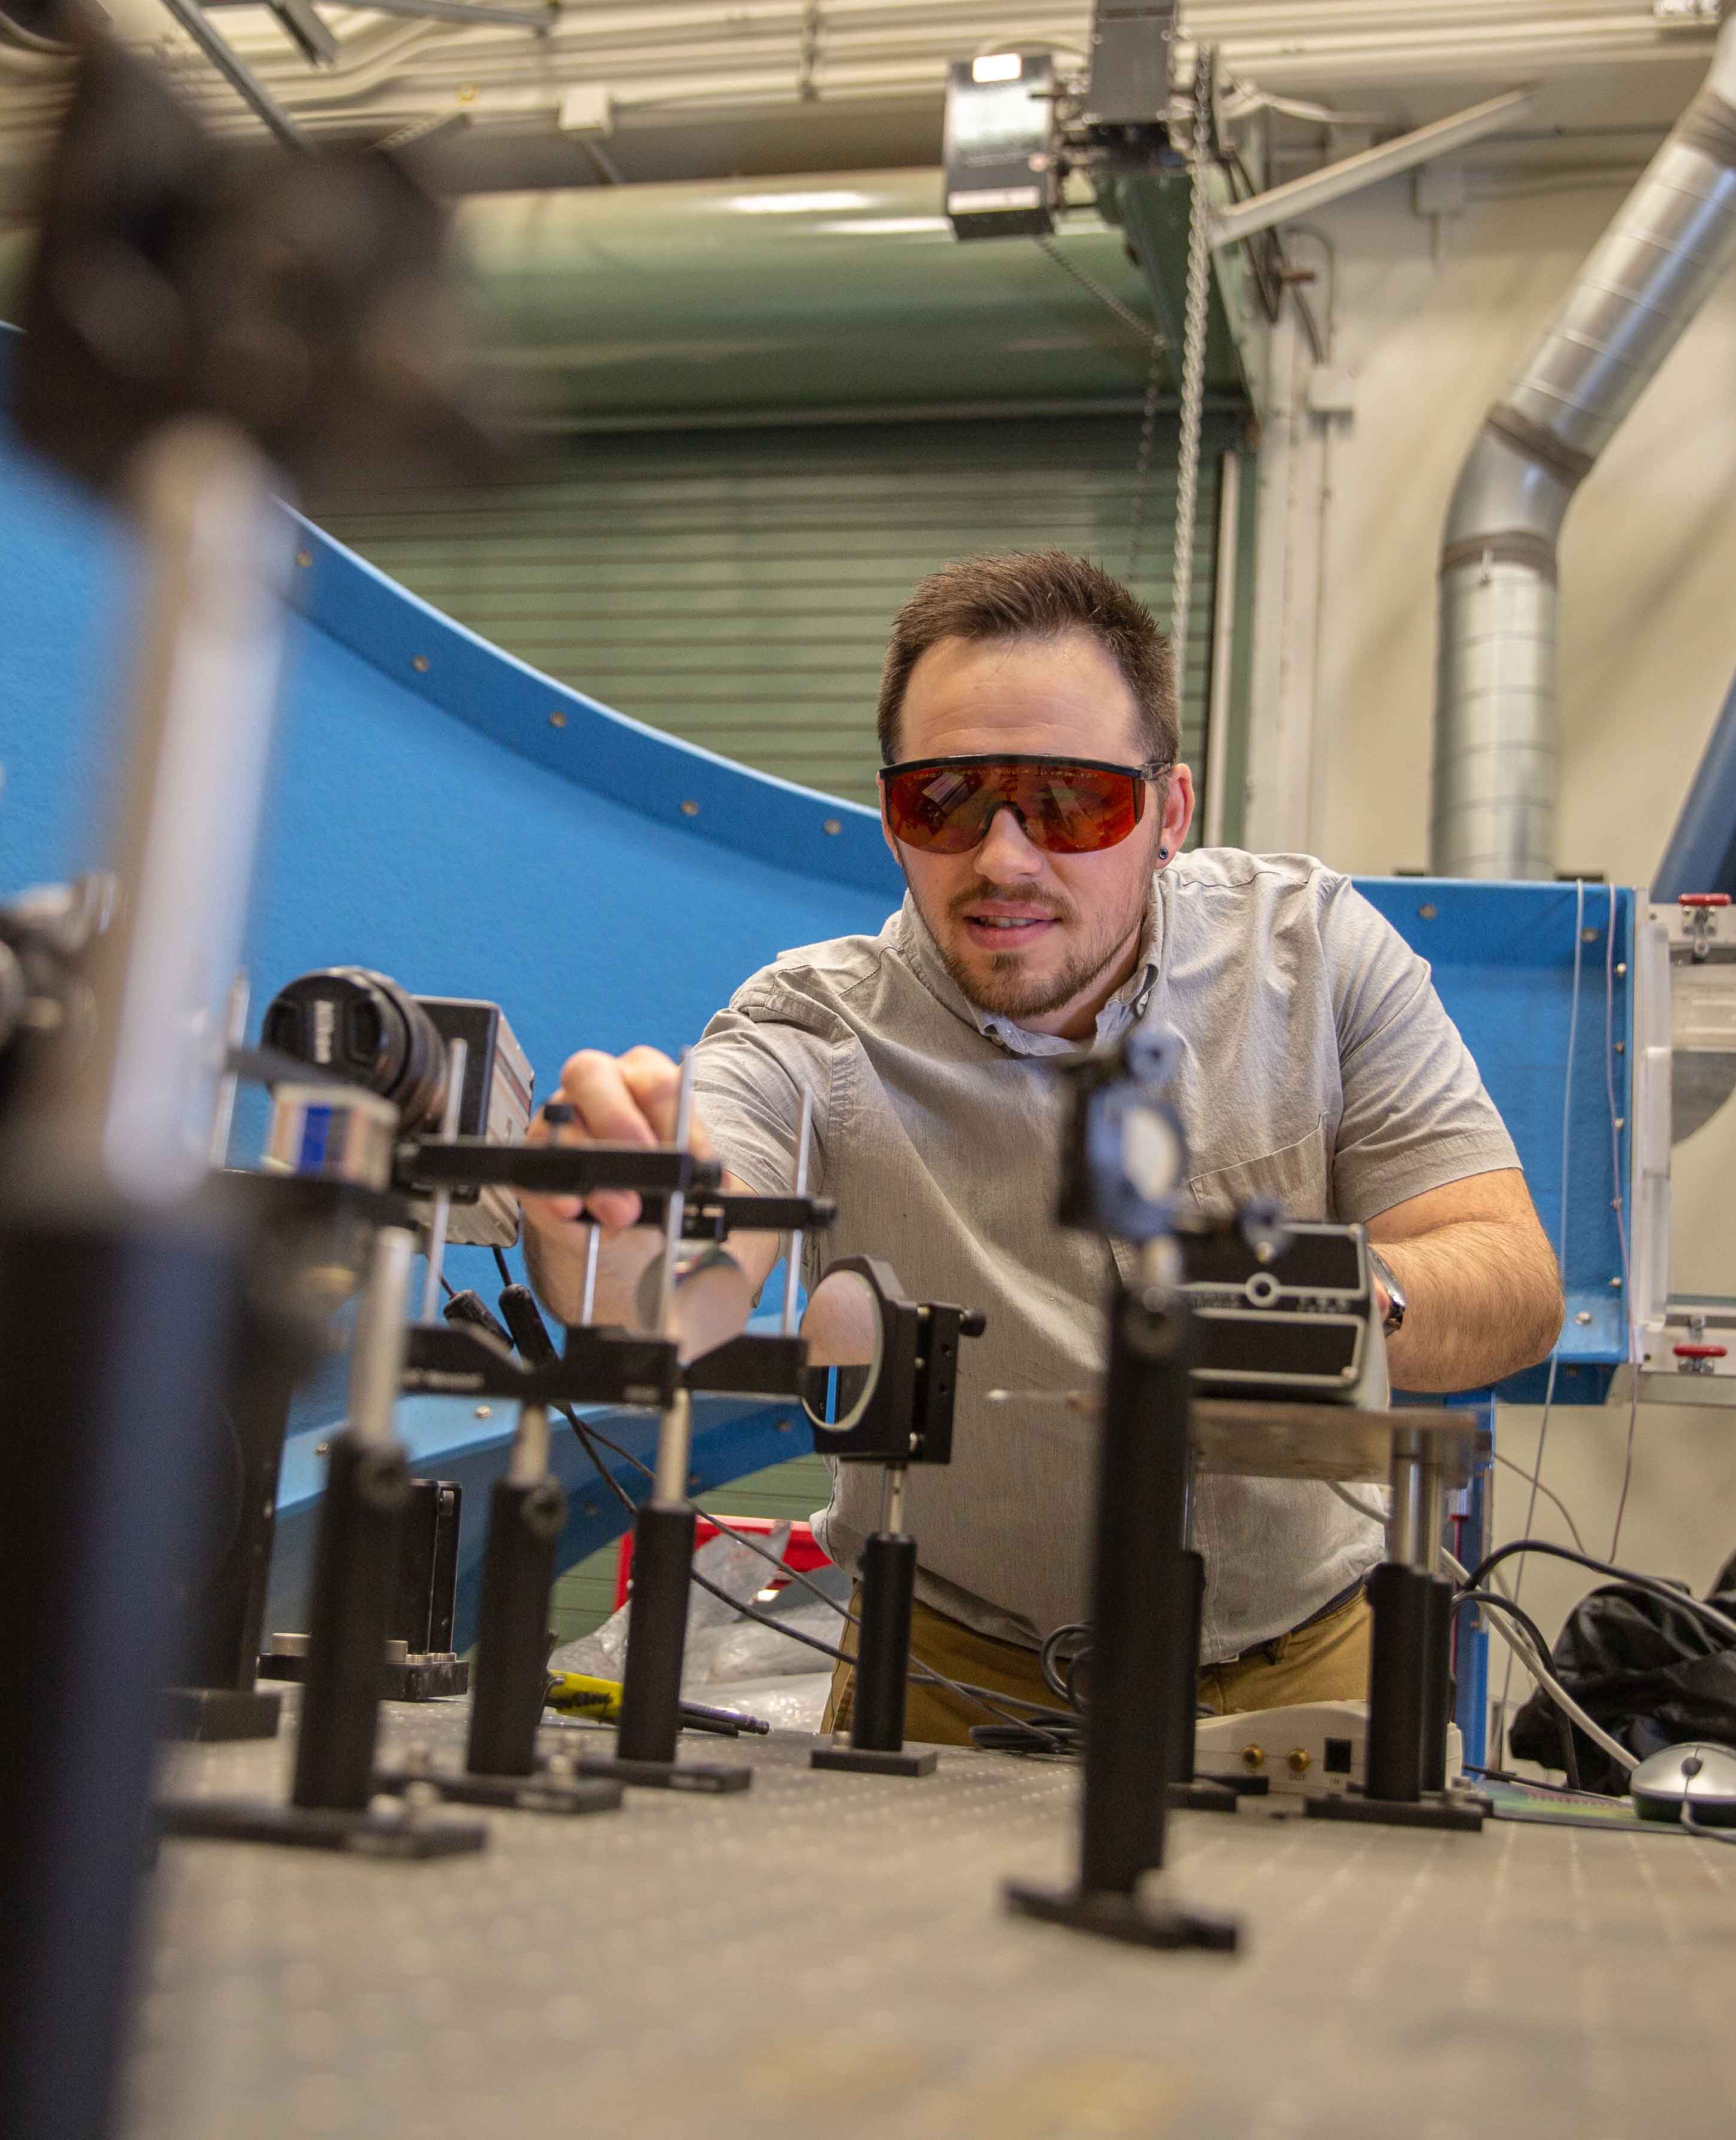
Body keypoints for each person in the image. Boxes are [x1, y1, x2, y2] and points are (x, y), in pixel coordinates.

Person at [522, 549, 1563, 1743]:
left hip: (1310, 1653)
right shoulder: (812, 1027)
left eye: (1073, 803)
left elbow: (1511, 1277)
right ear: (889, 816)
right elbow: (684, 1271)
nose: (1005, 859)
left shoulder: (1315, 958)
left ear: (1168, 812)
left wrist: (1314, 1304)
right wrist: (613, 1231)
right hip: (949, 1672)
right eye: (947, 801)